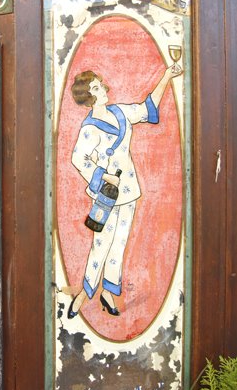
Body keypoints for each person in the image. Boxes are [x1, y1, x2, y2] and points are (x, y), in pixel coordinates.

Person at [67, 63, 182, 319]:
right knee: (101, 244)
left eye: (100, 83)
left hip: (129, 190)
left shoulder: (120, 112)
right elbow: (79, 158)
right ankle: (85, 293)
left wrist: (166, 76)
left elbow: (146, 108)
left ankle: (108, 292)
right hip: (107, 194)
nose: (104, 88)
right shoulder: (89, 128)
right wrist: (103, 175)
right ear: (88, 98)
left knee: (119, 243)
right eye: (96, 87)